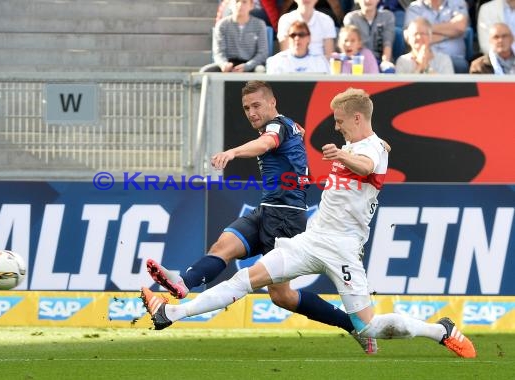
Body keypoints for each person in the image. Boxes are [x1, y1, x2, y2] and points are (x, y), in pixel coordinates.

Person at [141, 87, 477, 359]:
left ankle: (440, 330)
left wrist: (342, 155)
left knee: (369, 327)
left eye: (340, 119)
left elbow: (365, 166)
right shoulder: (360, 145)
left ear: (357, 117)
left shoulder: (371, 149)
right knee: (246, 278)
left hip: (343, 249)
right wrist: (344, 152)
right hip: (311, 239)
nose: (336, 125)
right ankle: (171, 314)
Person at [146, 80, 377, 354]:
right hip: (268, 209)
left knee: (283, 296)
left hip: (286, 218)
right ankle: (184, 283)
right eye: (246, 108)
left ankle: (352, 326)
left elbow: (266, 142)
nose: (251, 112)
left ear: (272, 102)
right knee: (223, 246)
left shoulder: (276, 126)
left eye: (256, 105)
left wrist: (233, 152)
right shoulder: (287, 125)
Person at [201, 0, 268, 73]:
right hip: (228, 64)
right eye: (236, 1)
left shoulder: (259, 24)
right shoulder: (222, 25)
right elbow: (218, 52)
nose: (240, 5)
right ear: (230, 4)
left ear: (251, 5)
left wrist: (247, 66)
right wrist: (224, 64)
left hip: (251, 65)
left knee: (261, 70)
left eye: (244, 2)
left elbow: (262, 53)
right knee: (205, 71)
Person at [405, 0, 470, 73]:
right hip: (422, 57)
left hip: (454, 59)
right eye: (425, 33)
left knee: (460, 65)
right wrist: (450, 32)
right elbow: (412, 37)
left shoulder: (458, 2)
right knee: (407, 63)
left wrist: (424, 31)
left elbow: (460, 27)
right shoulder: (415, 7)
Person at [344, 0, 396, 65]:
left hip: (381, 61)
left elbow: (387, 42)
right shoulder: (351, 18)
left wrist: (385, 63)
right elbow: (350, 46)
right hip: (359, 62)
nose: (368, 1)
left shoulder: (387, 16)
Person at [266, 20, 330, 72]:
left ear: (309, 38)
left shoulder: (320, 61)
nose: (297, 38)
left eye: (301, 34)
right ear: (288, 38)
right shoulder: (276, 61)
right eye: (293, 35)